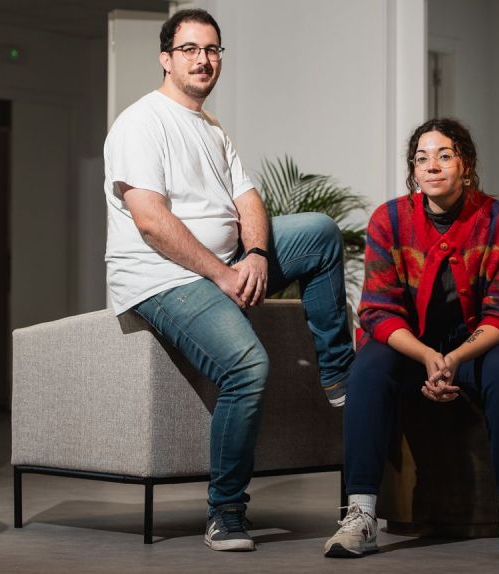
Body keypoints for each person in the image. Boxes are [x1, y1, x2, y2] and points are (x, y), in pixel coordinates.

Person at [103, 9, 354, 553]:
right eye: (190, 49)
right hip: (162, 278)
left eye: (213, 50)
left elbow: (248, 199)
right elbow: (150, 221)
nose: (203, 60)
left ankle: (338, 376)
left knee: (318, 232)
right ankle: (225, 511)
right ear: (166, 59)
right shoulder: (140, 123)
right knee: (246, 367)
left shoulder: (211, 126)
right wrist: (221, 274)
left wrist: (257, 254)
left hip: (226, 260)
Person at [323, 118, 499, 562]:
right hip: (411, 347)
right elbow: (378, 311)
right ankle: (360, 515)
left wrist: (454, 358)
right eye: (422, 159)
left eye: (445, 155)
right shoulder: (389, 220)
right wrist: (427, 355)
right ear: (413, 170)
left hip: (474, 347)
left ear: (466, 165)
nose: (432, 166)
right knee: (366, 369)